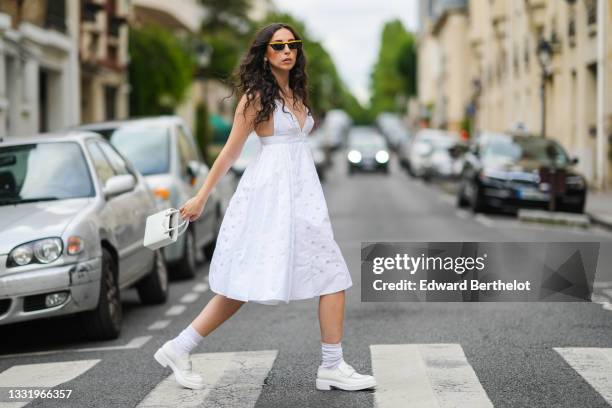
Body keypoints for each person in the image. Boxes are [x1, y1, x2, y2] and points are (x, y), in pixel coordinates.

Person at [153, 22, 377, 392]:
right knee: (247, 283)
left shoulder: (295, 93)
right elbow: (230, 152)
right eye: (278, 46)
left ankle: (332, 365)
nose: (287, 51)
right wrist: (201, 195)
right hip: (271, 198)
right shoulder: (257, 97)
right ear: (264, 53)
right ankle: (180, 346)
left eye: (292, 44)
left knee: (331, 274)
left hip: (302, 198)